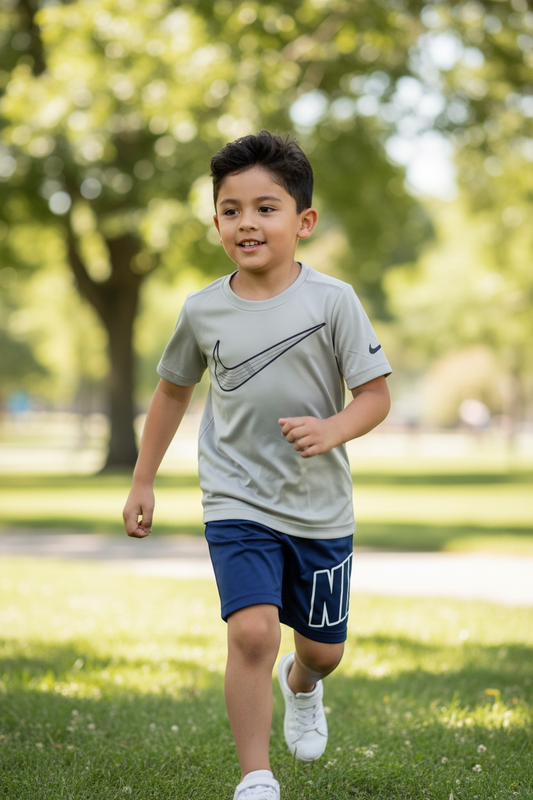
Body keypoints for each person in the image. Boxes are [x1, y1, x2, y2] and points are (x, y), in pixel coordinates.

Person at [123, 130, 391, 800]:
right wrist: (143, 478)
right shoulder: (202, 309)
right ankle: (256, 776)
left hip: (319, 506)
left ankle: (301, 687)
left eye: (265, 207)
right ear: (215, 220)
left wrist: (332, 429)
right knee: (250, 632)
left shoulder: (332, 301)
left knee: (321, 650)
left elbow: (375, 396)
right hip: (235, 498)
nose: (246, 222)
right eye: (231, 208)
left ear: (302, 222)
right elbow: (171, 391)